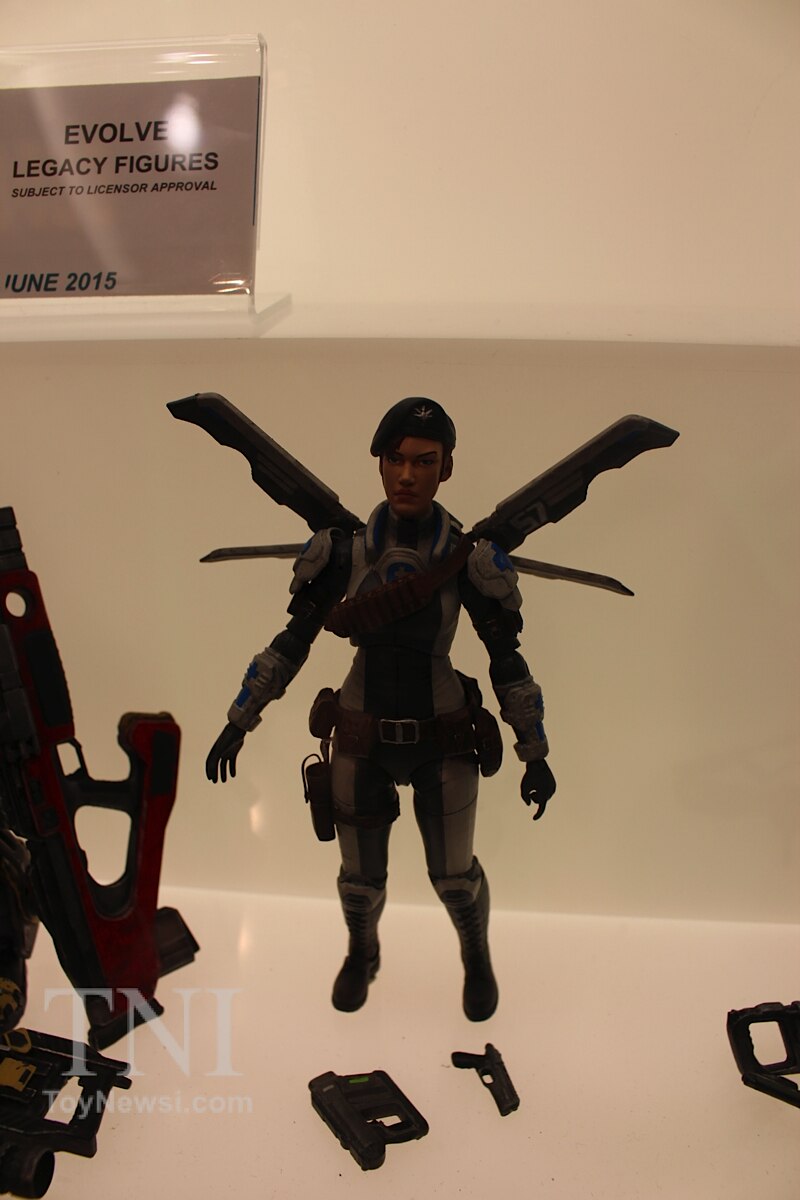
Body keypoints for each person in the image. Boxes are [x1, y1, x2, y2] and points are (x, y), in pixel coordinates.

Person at [206, 398, 555, 1021]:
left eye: (425, 461)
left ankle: (476, 956)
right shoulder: (343, 552)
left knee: (454, 878)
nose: (408, 475)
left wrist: (535, 752)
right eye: (396, 459)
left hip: (444, 737)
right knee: (359, 880)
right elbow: (291, 642)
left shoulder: (470, 559)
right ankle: (361, 953)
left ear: (446, 469)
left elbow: (508, 662)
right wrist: (239, 721)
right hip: (360, 735)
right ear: (379, 464)